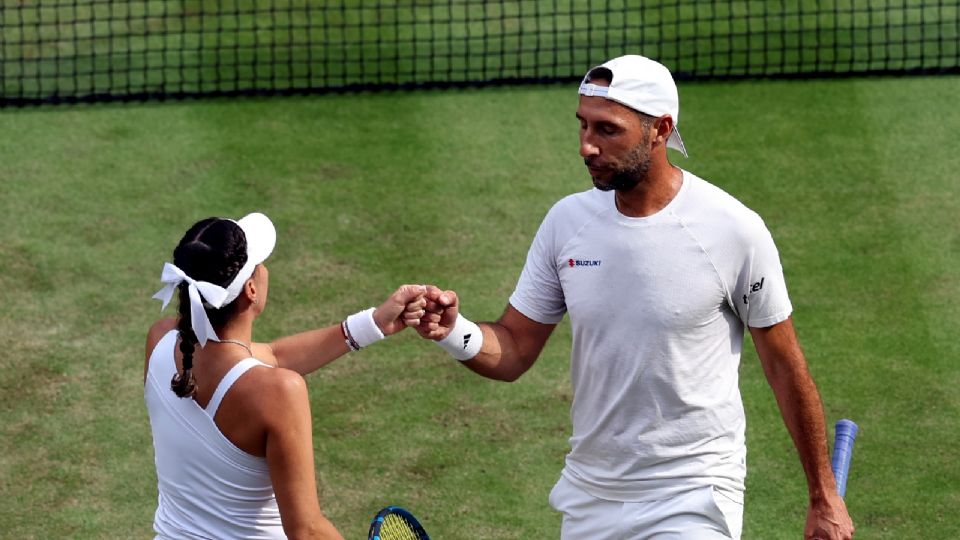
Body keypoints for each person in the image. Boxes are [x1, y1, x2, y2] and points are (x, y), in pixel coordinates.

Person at [410, 55, 855, 539]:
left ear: (660, 129)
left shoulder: (732, 230)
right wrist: (455, 331)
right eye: (582, 125)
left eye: (607, 130)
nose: (586, 146)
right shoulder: (567, 223)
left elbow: (785, 366)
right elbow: (514, 348)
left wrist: (823, 496)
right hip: (590, 495)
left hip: (693, 494)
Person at [144, 212, 427, 539]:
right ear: (251, 289)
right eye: (260, 264)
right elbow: (306, 531)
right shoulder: (278, 392)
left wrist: (373, 323)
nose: (266, 270)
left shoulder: (162, 340)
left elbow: (272, 356)